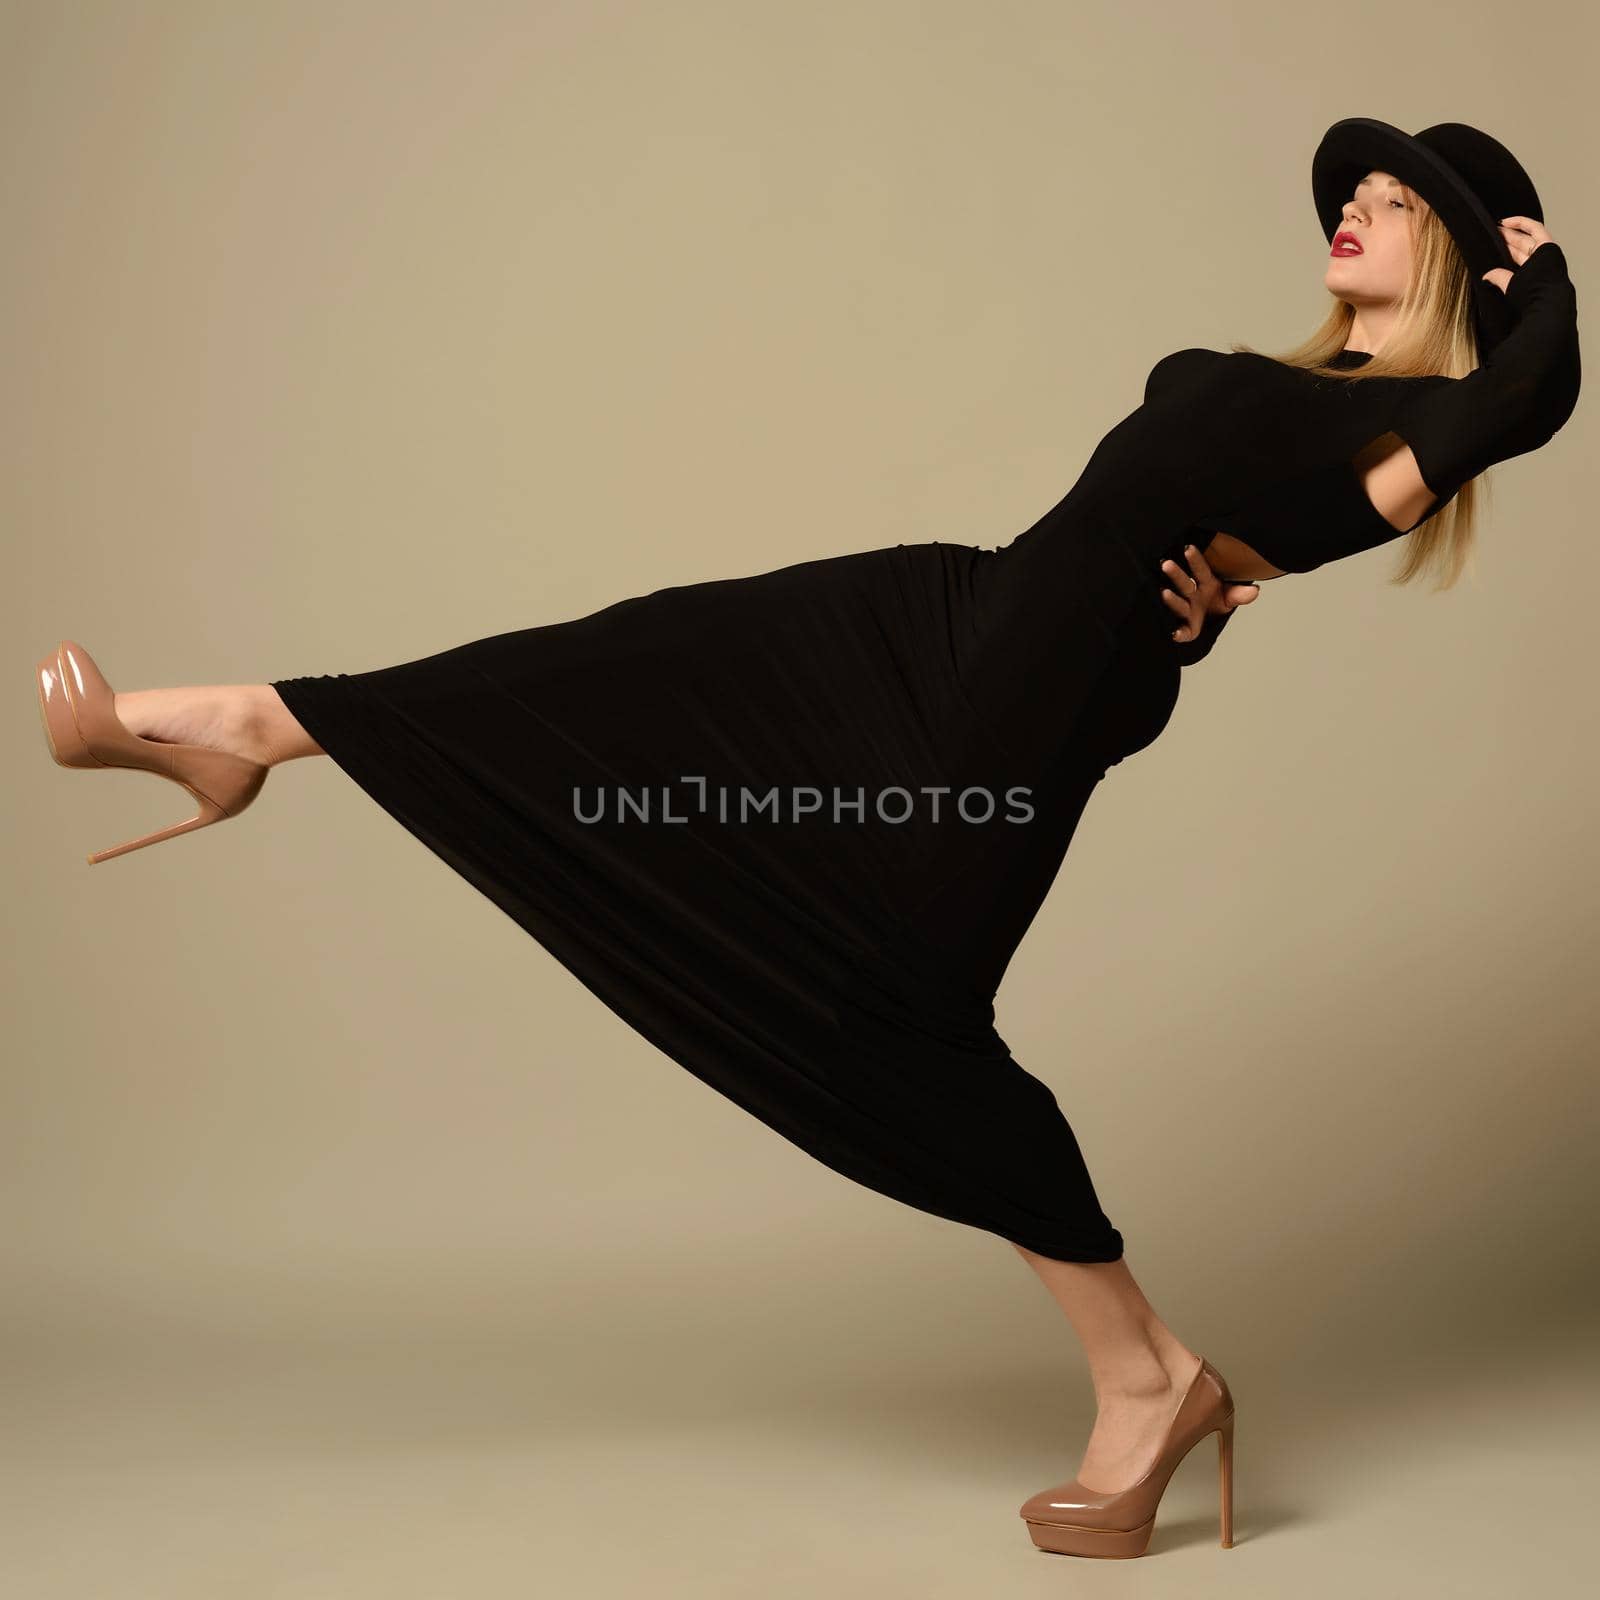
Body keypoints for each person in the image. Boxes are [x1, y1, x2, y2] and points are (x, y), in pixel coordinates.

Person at [35, 117, 1580, 1559]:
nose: (1352, 217)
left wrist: (1539, 271)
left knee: (894, 1023)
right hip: (941, 612)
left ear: (1455, 255)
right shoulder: (1311, 408)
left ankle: (1147, 1376)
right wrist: (1194, 619)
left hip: (1005, 722)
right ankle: (241, 724)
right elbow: (1180, 556)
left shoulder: (1409, 438)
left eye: (1393, 208)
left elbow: (1538, 394)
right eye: (1350, 198)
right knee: (626, 663)